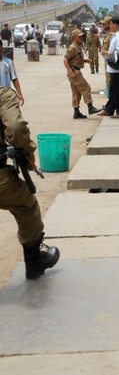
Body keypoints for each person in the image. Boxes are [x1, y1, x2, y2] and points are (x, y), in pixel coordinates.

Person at [0, 87, 60, 280]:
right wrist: (28, 153)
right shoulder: (3, 95)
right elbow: (16, 128)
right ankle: (34, 262)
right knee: (27, 206)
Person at [63, 29, 101, 119]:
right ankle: (90, 107)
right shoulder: (72, 47)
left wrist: (84, 60)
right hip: (74, 72)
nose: (81, 38)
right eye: (79, 36)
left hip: (75, 70)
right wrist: (70, 71)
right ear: (74, 37)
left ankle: (76, 111)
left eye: (82, 36)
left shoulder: (78, 46)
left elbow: (75, 59)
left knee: (76, 92)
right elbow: (65, 60)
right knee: (86, 88)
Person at [98, 17, 119, 118]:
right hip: (113, 67)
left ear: (116, 25)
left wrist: (108, 52)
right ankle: (109, 109)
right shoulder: (115, 36)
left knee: (118, 90)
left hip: (118, 67)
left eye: (111, 24)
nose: (110, 26)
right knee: (113, 89)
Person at [100, 16, 113, 94]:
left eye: (104, 24)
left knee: (110, 81)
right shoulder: (107, 34)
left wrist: (106, 52)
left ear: (110, 23)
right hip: (107, 61)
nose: (103, 25)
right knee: (108, 80)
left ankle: (112, 99)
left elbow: (113, 51)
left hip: (111, 62)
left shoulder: (111, 35)